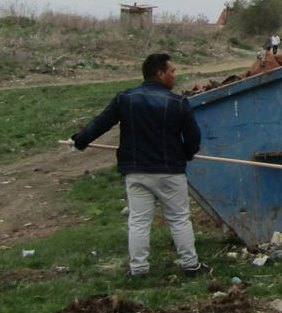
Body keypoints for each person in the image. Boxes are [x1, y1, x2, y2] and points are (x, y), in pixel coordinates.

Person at [70, 53, 209, 278]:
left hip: (137, 171)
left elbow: (100, 124)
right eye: (172, 71)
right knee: (179, 219)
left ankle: (138, 270)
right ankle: (190, 265)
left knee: (138, 222)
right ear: (160, 74)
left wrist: (80, 140)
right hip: (170, 172)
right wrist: (186, 154)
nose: (175, 75)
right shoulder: (178, 103)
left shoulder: (125, 99)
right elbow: (193, 138)